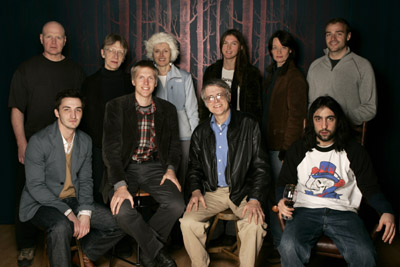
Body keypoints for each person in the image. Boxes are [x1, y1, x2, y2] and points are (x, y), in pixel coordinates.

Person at [277, 96, 396, 266]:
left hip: (344, 213)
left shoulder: (354, 151)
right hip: (305, 211)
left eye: (329, 119)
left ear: (338, 121)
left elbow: (370, 187)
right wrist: (281, 200)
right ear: (312, 121)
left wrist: (386, 210)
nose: (324, 126)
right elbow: (284, 182)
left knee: (365, 254)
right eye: (318, 119)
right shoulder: (299, 148)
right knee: (289, 247)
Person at [8, 21, 85, 267]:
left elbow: (81, 111)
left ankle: (64, 243)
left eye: (59, 37)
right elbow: (17, 110)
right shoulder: (26, 70)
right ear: (41, 39)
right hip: (33, 146)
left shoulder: (75, 71)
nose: (54, 42)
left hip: (65, 146)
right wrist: (21, 142)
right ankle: (26, 246)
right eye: (49, 37)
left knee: (66, 192)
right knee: (29, 194)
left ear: (65, 40)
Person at [19, 90, 125, 267]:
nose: (73, 115)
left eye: (78, 110)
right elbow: (35, 186)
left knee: (121, 222)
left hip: (72, 199)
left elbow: (85, 181)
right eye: (67, 109)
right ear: (56, 113)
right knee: (62, 226)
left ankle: (86, 254)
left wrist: (84, 213)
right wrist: (69, 213)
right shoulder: (38, 141)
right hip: (41, 204)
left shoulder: (85, 141)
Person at [101, 60, 185, 267]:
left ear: (156, 82)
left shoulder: (168, 109)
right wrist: (119, 186)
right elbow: (110, 151)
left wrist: (172, 170)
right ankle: (155, 251)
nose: (146, 82)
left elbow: (174, 146)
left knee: (176, 205)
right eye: (141, 77)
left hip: (155, 167)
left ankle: (146, 250)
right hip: (124, 168)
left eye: (151, 78)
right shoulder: (116, 107)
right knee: (122, 211)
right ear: (133, 80)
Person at [180, 79, 270, 267]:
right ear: (205, 103)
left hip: (243, 190)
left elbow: (261, 166)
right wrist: (196, 190)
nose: (216, 100)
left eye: (220, 95)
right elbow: (194, 168)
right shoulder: (200, 132)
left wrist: (255, 199)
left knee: (254, 224)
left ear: (228, 96)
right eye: (210, 97)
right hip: (212, 191)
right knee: (187, 222)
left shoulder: (249, 124)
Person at [262, 30, 308, 250]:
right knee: (271, 194)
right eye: (274, 48)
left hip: (282, 148)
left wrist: (288, 150)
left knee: (282, 197)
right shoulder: (272, 74)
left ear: (290, 50)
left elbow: (297, 117)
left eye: (282, 47)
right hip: (267, 143)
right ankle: (276, 243)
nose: (278, 52)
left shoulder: (295, 77)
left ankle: (283, 246)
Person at [81, 33, 133, 204]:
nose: (115, 56)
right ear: (103, 53)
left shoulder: (131, 83)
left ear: (124, 57)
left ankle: (120, 229)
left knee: (122, 191)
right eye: (111, 51)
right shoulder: (89, 83)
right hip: (97, 147)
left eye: (120, 52)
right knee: (96, 190)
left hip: (124, 149)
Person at [145, 32, 199, 187]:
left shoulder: (184, 77)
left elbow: (192, 111)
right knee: (160, 180)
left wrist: (195, 139)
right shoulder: (147, 77)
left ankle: (184, 209)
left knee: (182, 178)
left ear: (172, 53)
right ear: (152, 54)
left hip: (183, 137)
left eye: (166, 50)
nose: (161, 55)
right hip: (154, 138)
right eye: (157, 51)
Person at [307, 18, 377, 126]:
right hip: (318, 133)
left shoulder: (362, 65)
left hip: (347, 133)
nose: (333, 38)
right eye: (328, 34)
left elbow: (370, 108)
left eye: (339, 34)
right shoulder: (315, 66)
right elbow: (309, 104)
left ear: (348, 36)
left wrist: (339, 119)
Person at [201, 29, 262, 122]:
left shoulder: (251, 73)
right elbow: (204, 102)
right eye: (225, 43)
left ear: (241, 47)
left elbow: (255, 108)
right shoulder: (211, 71)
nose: (228, 48)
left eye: (233, 44)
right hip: (215, 124)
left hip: (240, 125)